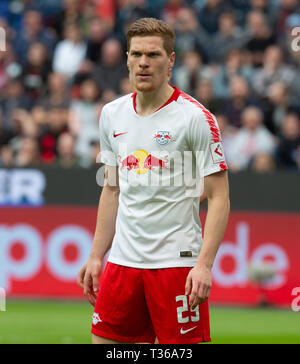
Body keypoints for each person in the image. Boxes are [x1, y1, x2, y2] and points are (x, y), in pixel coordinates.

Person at [77, 17, 230, 344]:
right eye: (136, 54)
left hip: (175, 264)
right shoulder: (111, 114)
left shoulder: (195, 118)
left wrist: (204, 265)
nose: (144, 63)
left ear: (170, 60)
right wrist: (95, 256)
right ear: (127, 59)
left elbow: (218, 198)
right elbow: (111, 188)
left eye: (154, 55)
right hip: (122, 262)